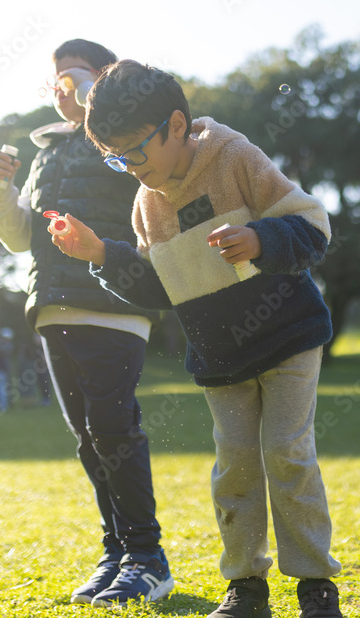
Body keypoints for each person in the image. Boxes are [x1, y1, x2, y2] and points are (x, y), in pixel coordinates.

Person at [51, 59, 344, 618]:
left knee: (286, 452)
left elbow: (312, 225)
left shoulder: (234, 157)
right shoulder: (146, 205)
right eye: (115, 158)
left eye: (135, 151)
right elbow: (161, 288)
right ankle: (246, 588)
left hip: (288, 335)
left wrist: (260, 239)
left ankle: (315, 586)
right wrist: (102, 254)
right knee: (235, 467)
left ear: (177, 125)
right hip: (220, 353)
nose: (129, 167)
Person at [0, 39, 172, 607]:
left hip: (113, 304)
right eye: (56, 80)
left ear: (103, 81)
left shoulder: (125, 138)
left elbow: (159, 190)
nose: (62, 88)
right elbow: (20, 238)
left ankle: (148, 559)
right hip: (51, 306)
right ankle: (117, 552)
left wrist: (104, 114)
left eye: (77, 77)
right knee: (90, 440)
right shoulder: (45, 152)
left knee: (114, 432)